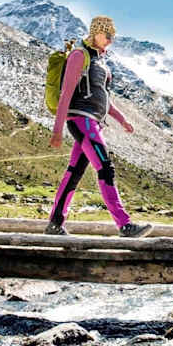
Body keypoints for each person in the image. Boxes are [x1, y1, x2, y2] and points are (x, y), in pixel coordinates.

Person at [46, 16, 152, 237]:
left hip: (93, 122)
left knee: (74, 172)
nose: (110, 41)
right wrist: (57, 130)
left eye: (113, 37)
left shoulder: (100, 61)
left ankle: (55, 223)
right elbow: (66, 94)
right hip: (81, 121)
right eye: (107, 35)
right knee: (105, 168)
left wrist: (122, 119)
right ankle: (124, 225)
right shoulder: (79, 55)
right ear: (95, 32)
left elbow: (103, 98)